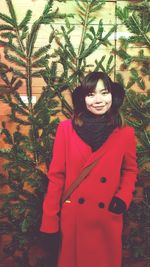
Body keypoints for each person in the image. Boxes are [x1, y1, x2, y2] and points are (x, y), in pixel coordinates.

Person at [40, 72, 138, 267]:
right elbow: (56, 177)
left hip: (107, 217)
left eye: (104, 92)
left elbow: (130, 170)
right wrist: (50, 221)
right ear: (83, 99)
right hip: (74, 219)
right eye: (91, 94)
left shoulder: (125, 133)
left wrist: (123, 196)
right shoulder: (66, 129)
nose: (99, 100)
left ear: (113, 96)